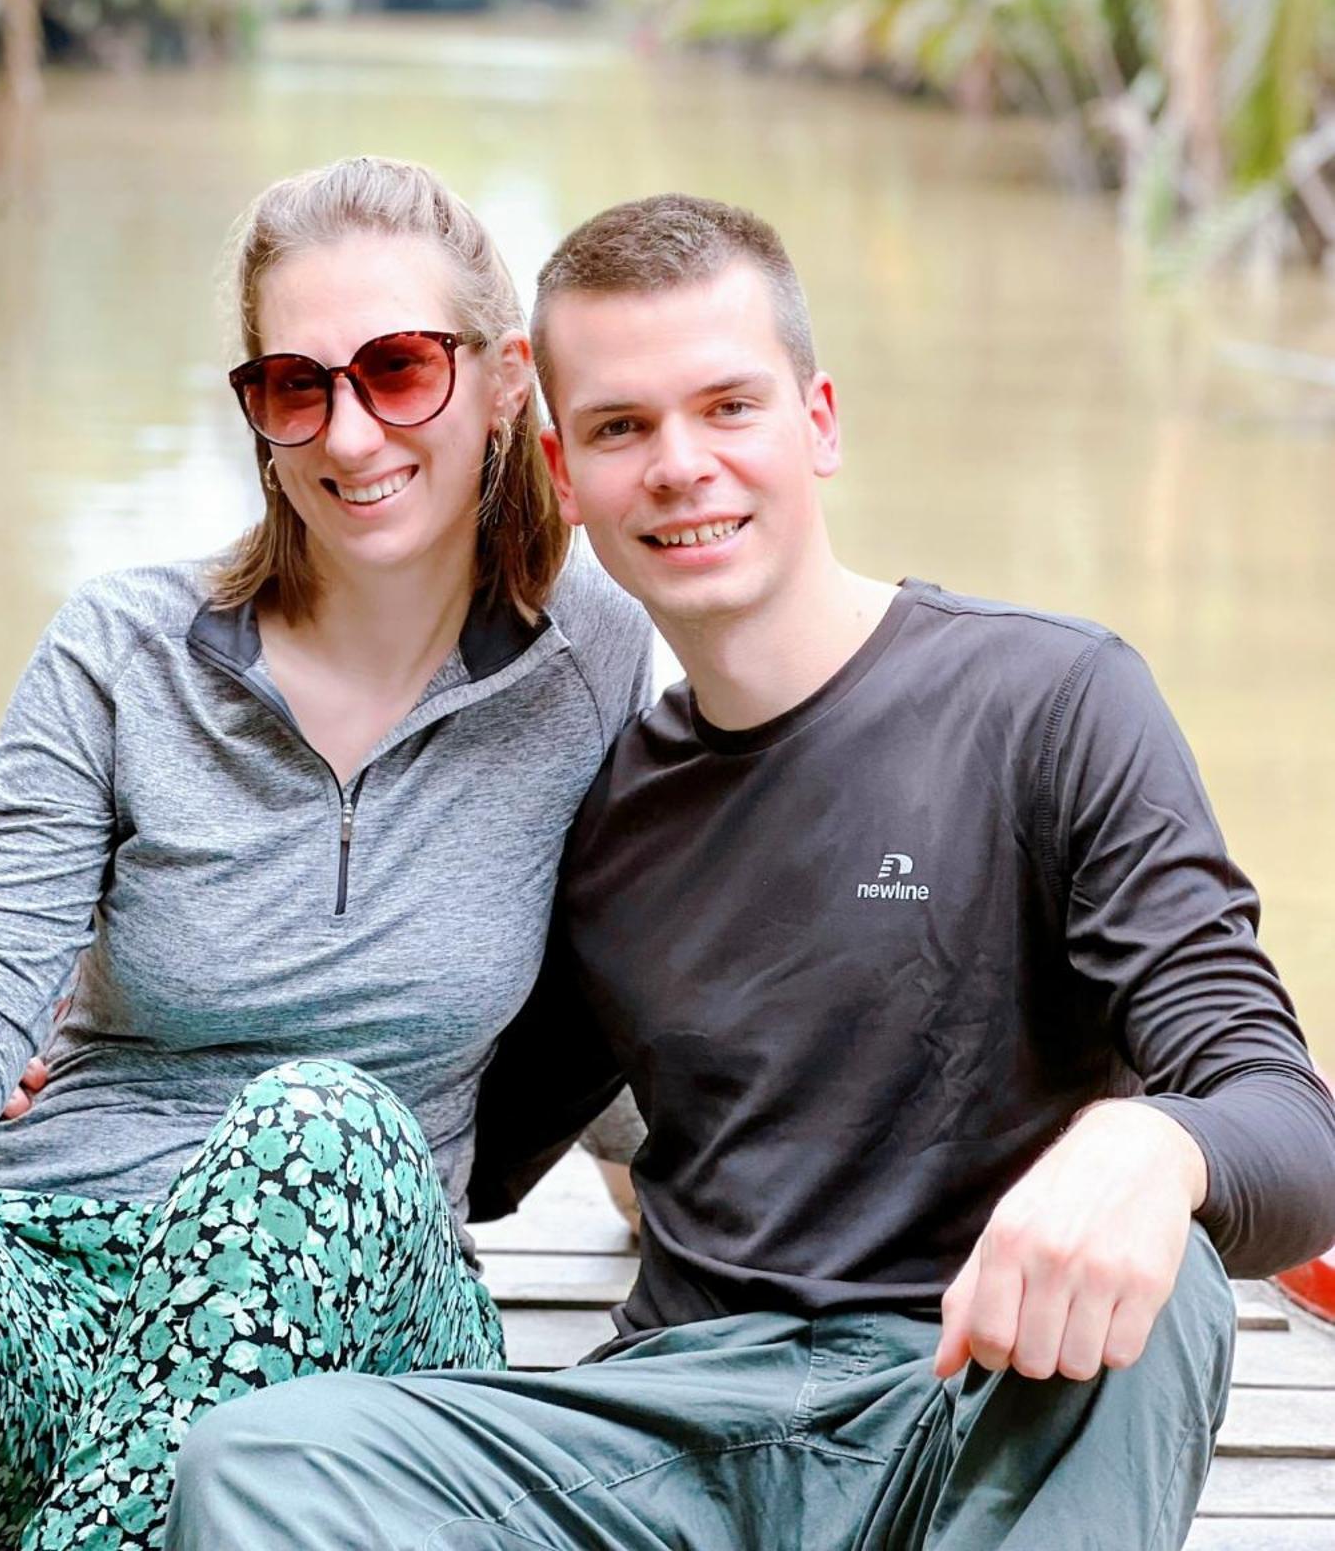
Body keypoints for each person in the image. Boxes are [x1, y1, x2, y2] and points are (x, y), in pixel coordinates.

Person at [167, 193, 1335, 1551]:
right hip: (678, 1428)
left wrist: (1156, 1140)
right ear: (559, 470)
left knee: (1169, 1282)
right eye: (621, 428)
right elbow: (462, 1142)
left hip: (970, 1410)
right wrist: (119, 1048)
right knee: (266, 1462)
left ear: (819, 420)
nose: (679, 467)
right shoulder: (605, 814)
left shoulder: (1051, 701)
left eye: (729, 407)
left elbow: (1294, 1127)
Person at [0, 157, 652, 1551]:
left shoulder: (592, 660)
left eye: (400, 369)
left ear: (506, 382)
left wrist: (691, 1198)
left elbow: (658, 984)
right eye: (295, 384)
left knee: (314, 1124)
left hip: (363, 1326)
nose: (349, 432)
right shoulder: (120, 650)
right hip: (52, 1278)